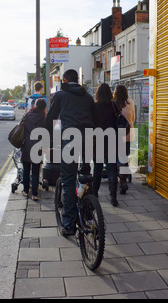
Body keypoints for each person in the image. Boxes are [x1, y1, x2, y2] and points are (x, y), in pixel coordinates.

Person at [46, 69, 97, 237]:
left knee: (68, 181)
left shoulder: (61, 95)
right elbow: (95, 121)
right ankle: (88, 211)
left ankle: (68, 225)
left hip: (70, 141)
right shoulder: (88, 97)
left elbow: (51, 118)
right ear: (78, 80)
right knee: (85, 176)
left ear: (65, 80)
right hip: (88, 140)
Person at [92, 83, 119, 207]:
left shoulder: (94, 107)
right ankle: (113, 197)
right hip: (112, 140)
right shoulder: (114, 106)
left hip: (98, 140)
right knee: (111, 169)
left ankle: (95, 193)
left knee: (97, 168)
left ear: (98, 94)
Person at [20, 98, 47, 201]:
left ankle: (26, 191)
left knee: (26, 170)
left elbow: (20, 127)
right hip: (37, 148)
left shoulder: (27, 115)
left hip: (26, 146)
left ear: (35, 105)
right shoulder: (44, 119)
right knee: (35, 172)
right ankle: (35, 194)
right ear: (44, 108)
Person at [113, 84, 135, 195]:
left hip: (117, 134)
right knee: (124, 158)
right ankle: (123, 181)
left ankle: (118, 178)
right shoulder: (130, 103)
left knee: (117, 157)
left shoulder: (113, 103)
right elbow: (133, 118)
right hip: (128, 133)